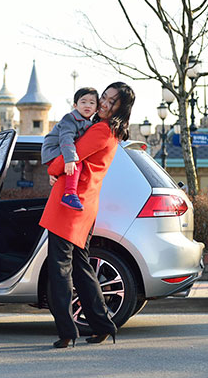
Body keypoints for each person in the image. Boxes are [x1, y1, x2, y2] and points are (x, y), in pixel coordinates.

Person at [39, 82, 135, 349]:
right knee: (80, 267)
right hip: (83, 204)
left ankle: (67, 332)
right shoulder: (110, 131)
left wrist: (52, 167)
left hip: (70, 206)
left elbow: (71, 157)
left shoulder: (102, 130)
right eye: (104, 97)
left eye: (111, 101)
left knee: (60, 270)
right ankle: (103, 325)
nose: (104, 103)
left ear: (120, 108)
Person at [41, 87, 99, 211]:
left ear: (96, 108)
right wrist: (70, 160)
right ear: (75, 105)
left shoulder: (90, 123)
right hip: (53, 149)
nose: (87, 105)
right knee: (76, 162)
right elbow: (66, 139)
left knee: (75, 161)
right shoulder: (70, 118)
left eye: (92, 102)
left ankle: (55, 174)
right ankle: (69, 194)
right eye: (83, 102)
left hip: (62, 152)